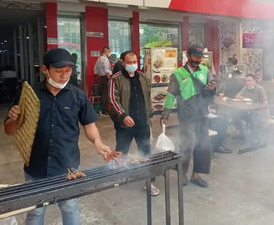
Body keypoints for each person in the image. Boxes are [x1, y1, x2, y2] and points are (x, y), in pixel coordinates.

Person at [4, 48, 111, 225]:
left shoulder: (78, 96)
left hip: (67, 164)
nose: (64, 76)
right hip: (36, 165)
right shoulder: (28, 95)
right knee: (36, 211)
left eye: (68, 71)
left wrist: (98, 143)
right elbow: (9, 130)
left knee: (69, 206)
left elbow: (89, 125)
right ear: (46, 70)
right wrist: (14, 119)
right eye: (59, 71)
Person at [161, 44, 216, 188]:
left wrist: (213, 88)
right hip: (186, 115)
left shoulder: (205, 70)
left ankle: (196, 175)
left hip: (202, 113)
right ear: (188, 56)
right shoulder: (178, 74)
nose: (198, 60)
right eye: (195, 57)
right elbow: (171, 95)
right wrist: (165, 113)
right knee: (187, 144)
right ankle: (182, 173)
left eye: (200, 57)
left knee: (203, 145)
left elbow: (213, 87)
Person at [109, 51, 159, 196]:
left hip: (142, 123)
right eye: (129, 62)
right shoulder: (115, 79)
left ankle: (150, 182)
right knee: (121, 151)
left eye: (135, 62)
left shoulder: (144, 77)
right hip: (124, 124)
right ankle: (119, 177)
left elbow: (148, 98)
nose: (132, 65)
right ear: (123, 63)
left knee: (146, 152)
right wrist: (123, 115)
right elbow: (113, 99)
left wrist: (150, 115)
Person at [94, 47, 112, 116]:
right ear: (107, 51)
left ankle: (102, 109)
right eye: (109, 52)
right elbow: (106, 70)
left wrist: (100, 75)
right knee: (106, 94)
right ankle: (105, 110)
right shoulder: (105, 59)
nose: (109, 53)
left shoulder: (99, 59)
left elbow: (95, 69)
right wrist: (109, 78)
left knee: (103, 94)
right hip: (106, 77)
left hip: (101, 77)